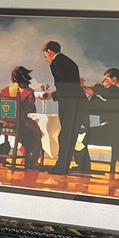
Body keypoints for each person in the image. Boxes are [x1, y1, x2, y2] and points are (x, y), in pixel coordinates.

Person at [41, 41, 89, 175]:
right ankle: (81, 166)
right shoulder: (69, 61)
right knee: (71, 135)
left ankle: (61, 168)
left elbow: (64, 87)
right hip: (78, 102)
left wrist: (53, 95)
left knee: (66, 136)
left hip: (70, 103)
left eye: (45, 56)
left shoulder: (56, 63)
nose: (46, 59)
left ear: (49, 51)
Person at [77, 67, 119, 168]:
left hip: (114, 130)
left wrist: (93, 94)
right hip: (111, 129)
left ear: (114, 80)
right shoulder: (116, 93)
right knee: (81, 135)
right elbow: (103, 106)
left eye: (107, 80)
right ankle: (83, 165)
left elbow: (106, 107)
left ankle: (83, 166)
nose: (105, 83)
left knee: (81, 136)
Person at [0, 66, 44, 170]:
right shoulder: (28, 92)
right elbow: (31, 109)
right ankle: (31, 159)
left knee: (29, 130)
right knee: (35, 131)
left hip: (6, 125)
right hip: (20, 124)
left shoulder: (4, 91)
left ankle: (26, 156)